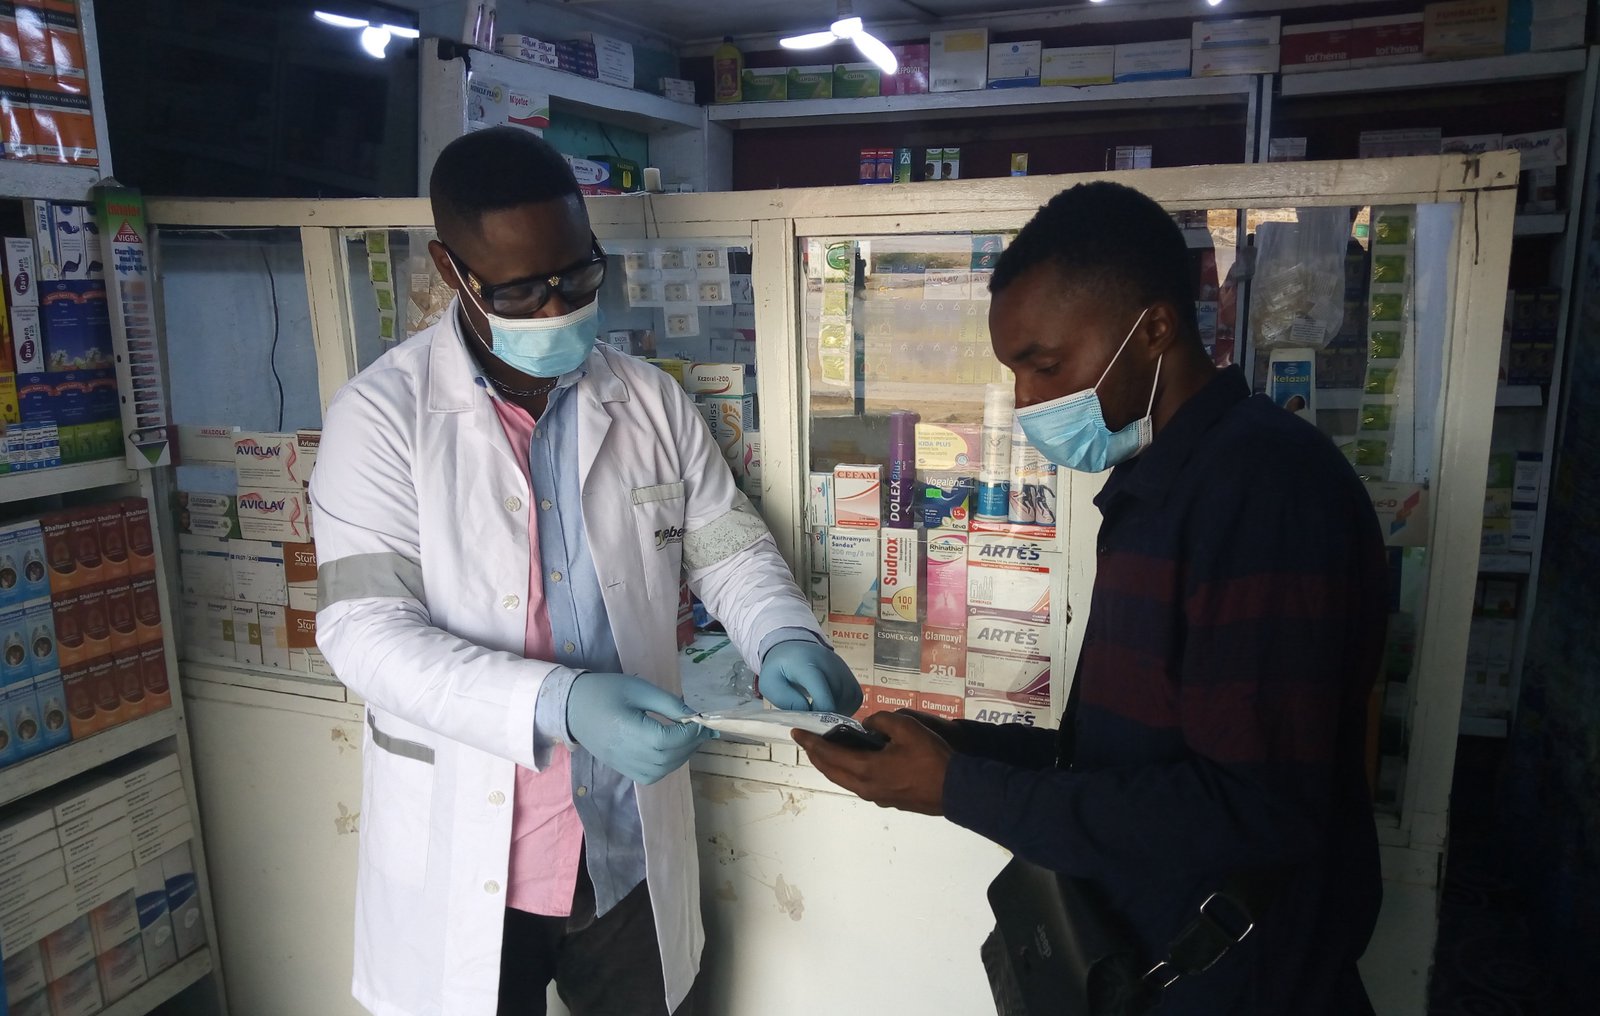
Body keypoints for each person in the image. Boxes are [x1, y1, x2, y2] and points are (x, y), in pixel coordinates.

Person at [796, 180, 1385, 1015]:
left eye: (1046, 365)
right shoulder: (1159, 484)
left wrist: (960, 790)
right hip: (1141, 956)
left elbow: (1253, 808)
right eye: (1014, 373)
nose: (1027, 402)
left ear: (1154, 328)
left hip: (1239, 980)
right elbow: (1123, 759)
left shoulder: (1263, 491)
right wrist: (956, 750)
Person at [312, 127, 860, 1016]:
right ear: (453, 271)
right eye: (522, 289)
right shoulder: (380, 419)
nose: (558, 305)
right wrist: (559, 704)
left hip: (623, 848)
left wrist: (781, 633)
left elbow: (726, 547)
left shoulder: (648, 399)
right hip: (469, 853)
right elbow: (363, 633)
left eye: (578, 276)